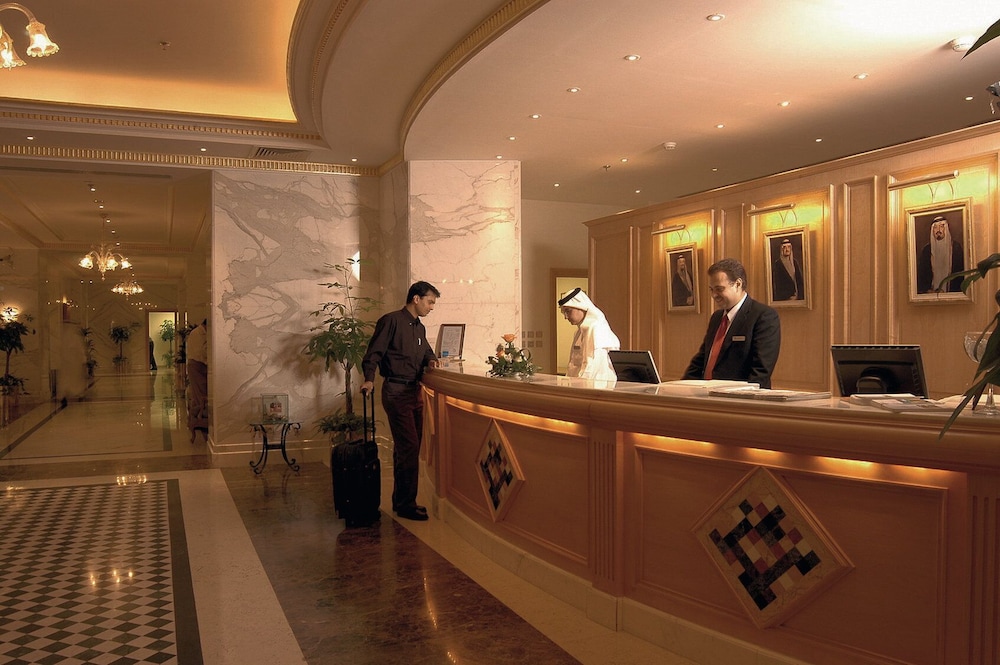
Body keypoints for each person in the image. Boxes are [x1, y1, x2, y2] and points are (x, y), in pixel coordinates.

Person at [361, 281, 440, 521]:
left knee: (408, 448)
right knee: (409, 447)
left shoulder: (419, 328)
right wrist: (369, 379)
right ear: (416, 298)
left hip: (414, 392)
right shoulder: (391, 321)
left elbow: (426, 352)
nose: (431, 307)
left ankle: (401, 500)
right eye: (430, 302)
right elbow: (373, 353)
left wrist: (432, 361)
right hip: (396, 391)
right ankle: (406, 504)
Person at [683, 258, 781, 389]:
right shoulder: (716, 318)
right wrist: (680, 389)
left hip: (739, 398)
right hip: (706, 396)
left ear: (738, 284)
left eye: (719, 289)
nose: (714, 295)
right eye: (711, 289)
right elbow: (701, 360)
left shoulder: (763, 316)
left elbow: (760, 372)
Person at [558, 287, 621, 381]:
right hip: (579, 385)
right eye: (564, 312)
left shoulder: (597, 328)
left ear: (580, 306)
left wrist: (579, 386)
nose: (566, 317)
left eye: (568, 311)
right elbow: (573, 364)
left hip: (598, 385)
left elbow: (591, 366)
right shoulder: (579, 332)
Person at [916, 216, 963, 293]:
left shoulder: (955, 248)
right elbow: (922, 276)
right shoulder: (927, 250)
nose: (938, 230)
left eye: (941, 226)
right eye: (935, 227)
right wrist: (928, 290)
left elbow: (960, 274)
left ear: (946, 229)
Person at [185, 319, 209, 442]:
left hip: (198, 365)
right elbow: (201, 352)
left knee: (199, 393)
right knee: (200, 394)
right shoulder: (197, 334)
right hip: (197, 365)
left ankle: (199, 418)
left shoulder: (198, 332)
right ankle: (201, 419)